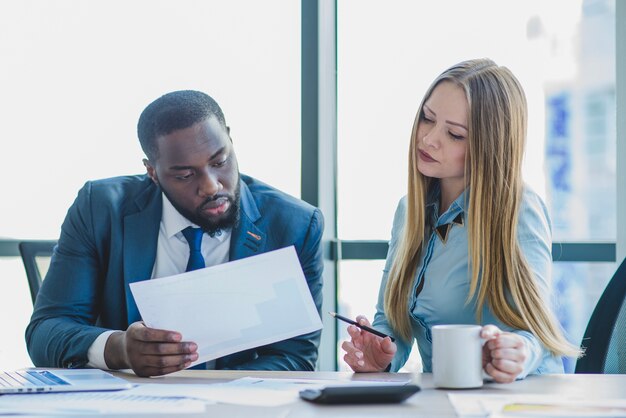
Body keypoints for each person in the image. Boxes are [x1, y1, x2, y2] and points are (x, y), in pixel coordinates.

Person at [26, 90, 324, 377]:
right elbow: (46, 330)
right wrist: (120, 349)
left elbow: (295, 357)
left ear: (230, 139)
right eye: (184, 175)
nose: (211, 186)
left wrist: (215, 396)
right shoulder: (101, 208)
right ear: (153, 172)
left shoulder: (294, 226)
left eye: (220, 162)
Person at [340, 58, 581, 383]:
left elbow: (535, 333)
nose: (428, 139)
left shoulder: (518, 210)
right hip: (446, 397)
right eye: (427, 119)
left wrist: (517, 353)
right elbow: (393, 324)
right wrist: (380, 355)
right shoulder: (409, 210)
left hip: (518, 397)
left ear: (489, 145)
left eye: (454, 134)